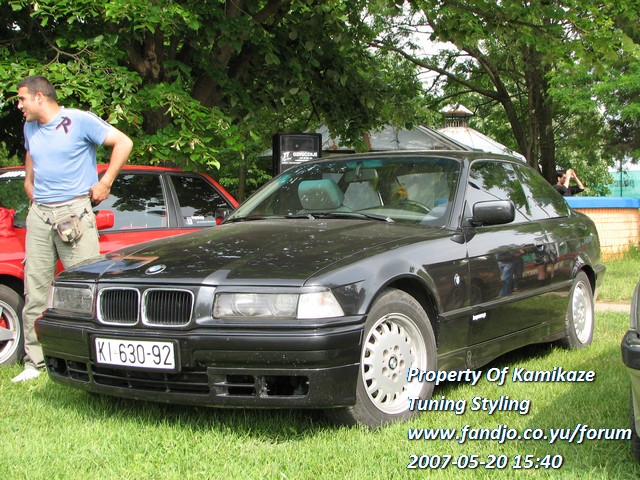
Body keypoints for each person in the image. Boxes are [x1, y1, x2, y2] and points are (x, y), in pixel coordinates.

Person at [12, 75, 133, 383]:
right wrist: (28, 181)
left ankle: (94, 361)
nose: (19, 105)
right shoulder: (30, 127)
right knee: (35, 289)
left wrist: (105, 182)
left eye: (22, 98)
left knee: (86, 288)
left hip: (74, 212)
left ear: (40, 97)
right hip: (40, 213)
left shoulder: (78, 121)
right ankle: (34, 363)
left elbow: (124, 142)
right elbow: (31, 152)